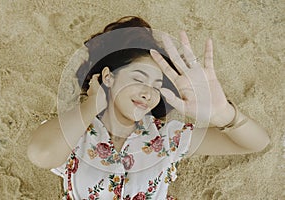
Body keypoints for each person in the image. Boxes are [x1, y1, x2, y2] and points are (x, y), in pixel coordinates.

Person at [27, 16, 270, 200]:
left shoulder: (165, 137)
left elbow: (255, 143)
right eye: (139, 79)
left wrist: (223, 114)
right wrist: (94, 102)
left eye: (157, 85)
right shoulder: (76, 130)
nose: (149, 92)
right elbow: (41, 154)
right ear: (108, 77)